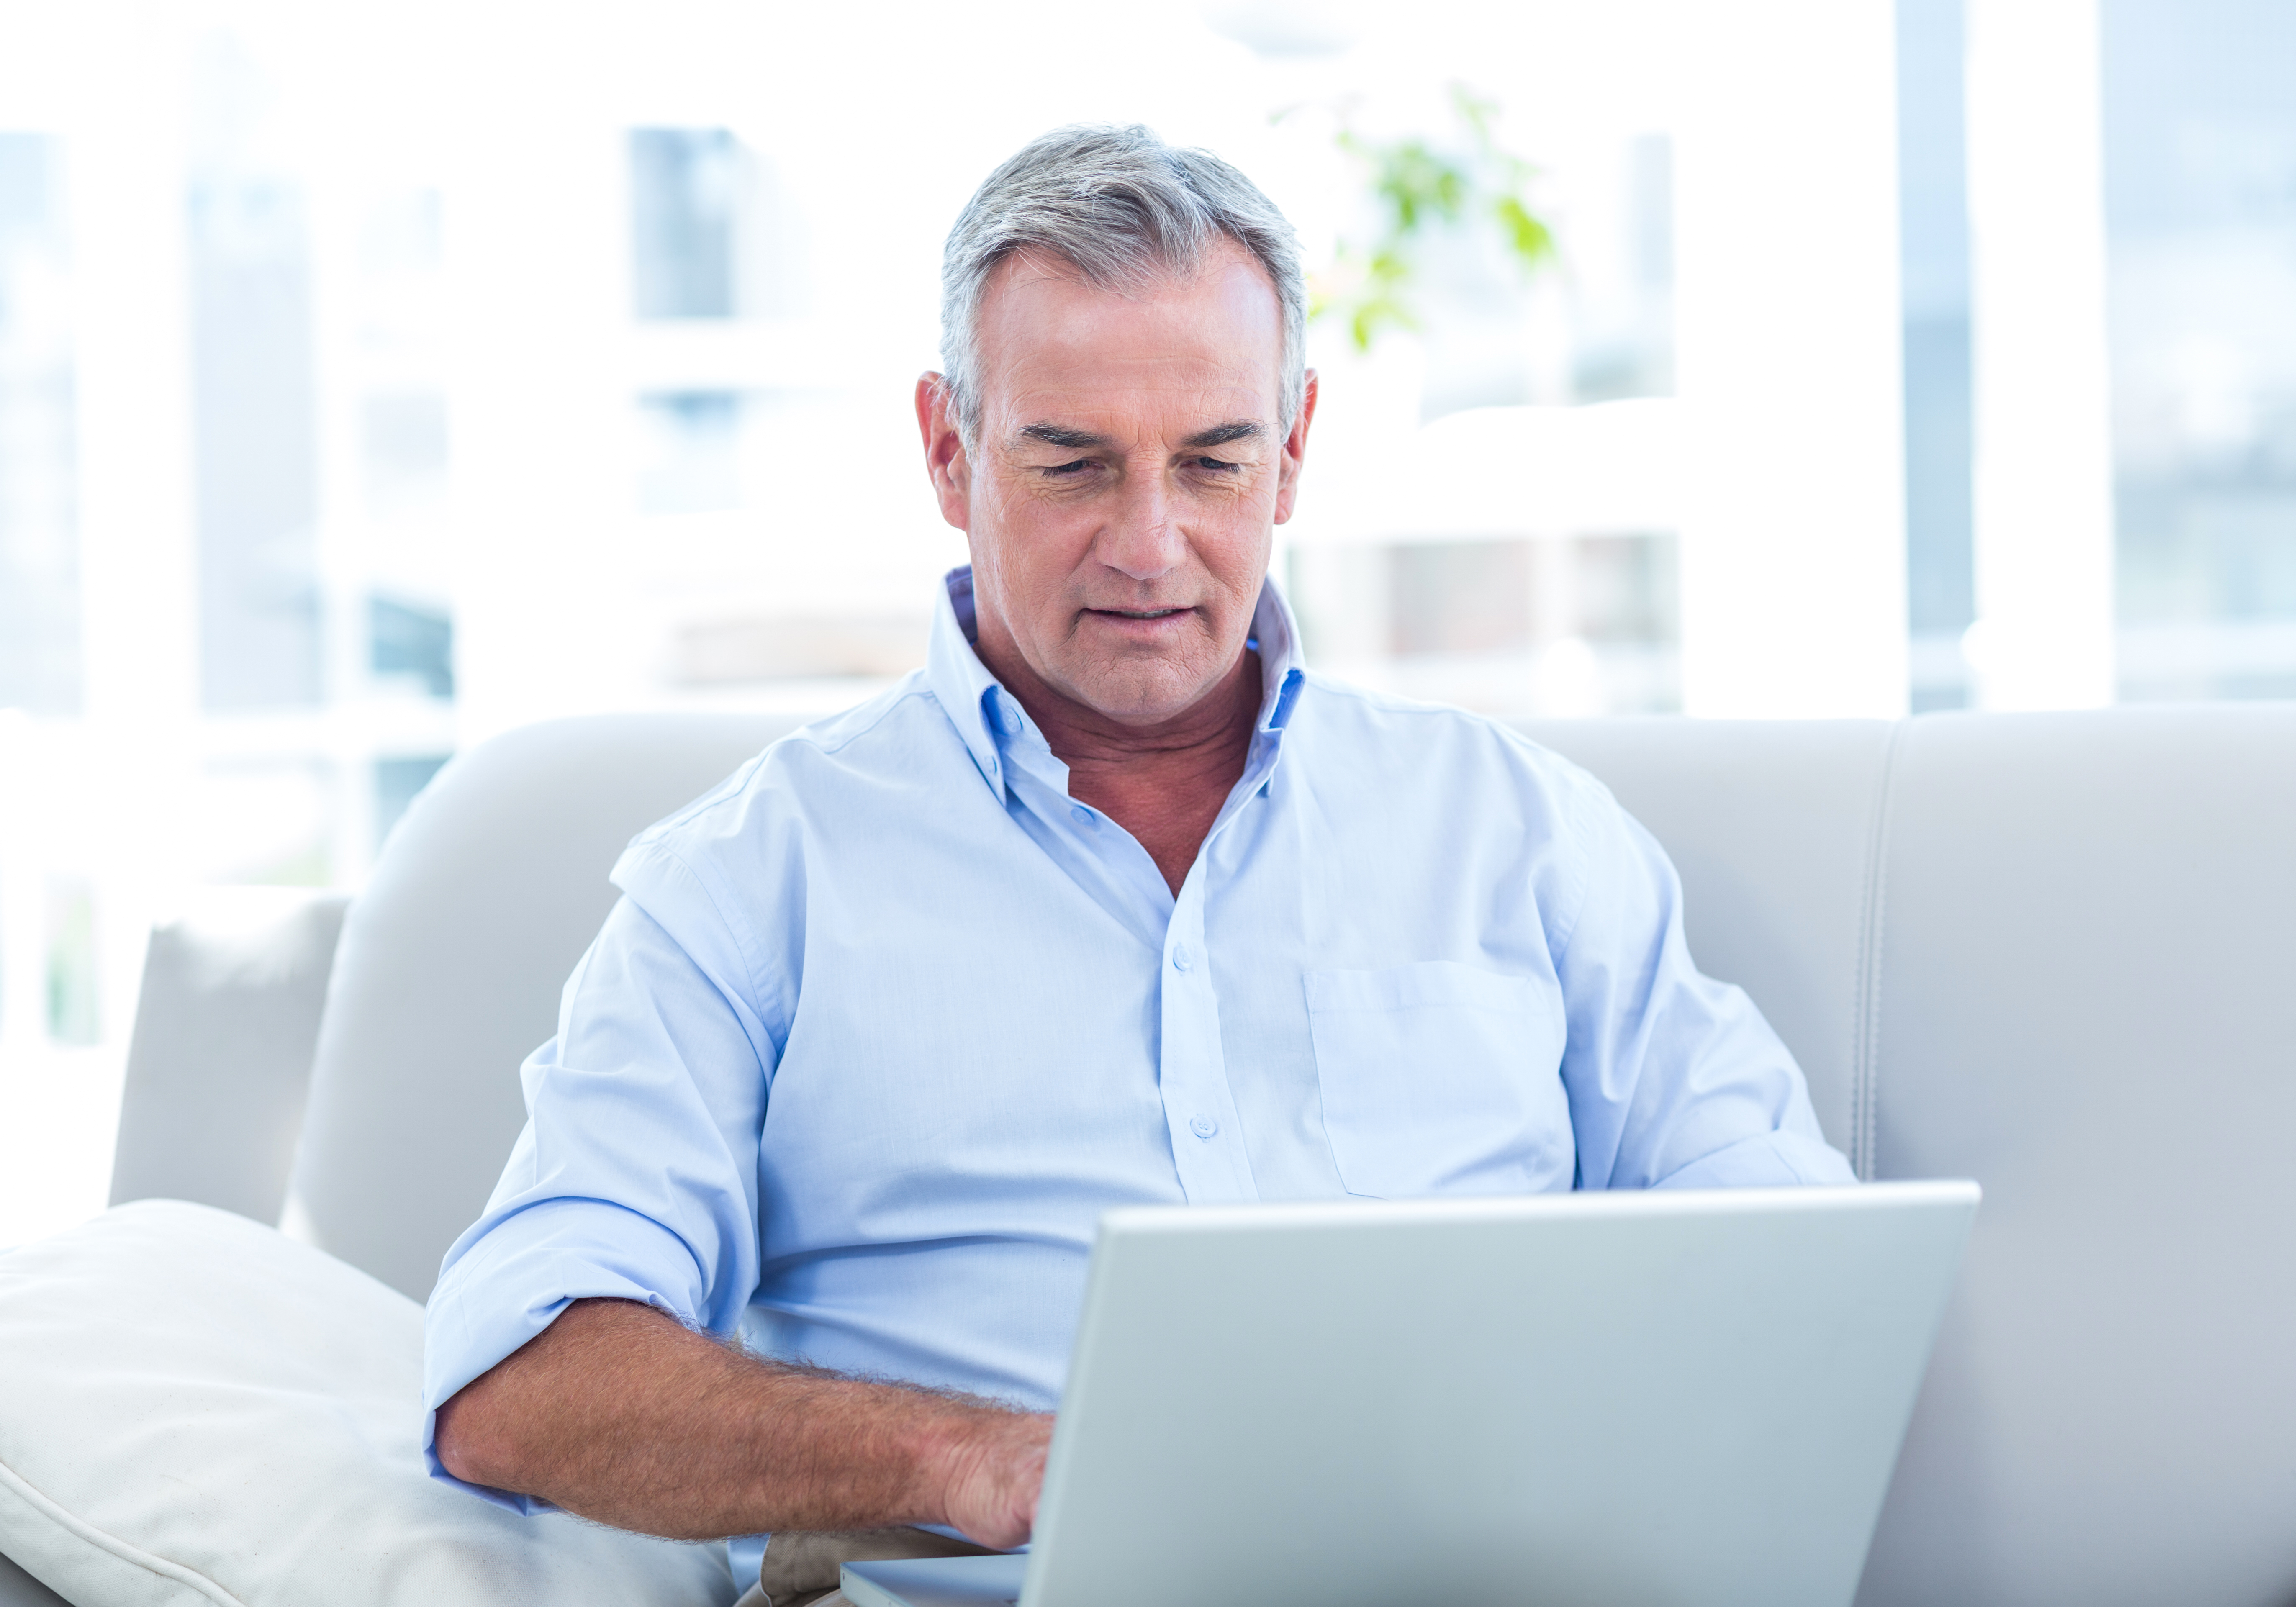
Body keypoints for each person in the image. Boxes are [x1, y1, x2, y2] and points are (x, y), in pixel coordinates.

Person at [424, 123, 1852, 1606]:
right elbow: (517, 1376)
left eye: (1216, 462)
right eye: (1075, 466)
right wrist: (969, 1462)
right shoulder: (750, 881)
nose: (1152, 546)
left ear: (1293, 449)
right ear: (946, 447)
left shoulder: (1520, 832)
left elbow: (1799, 1264)